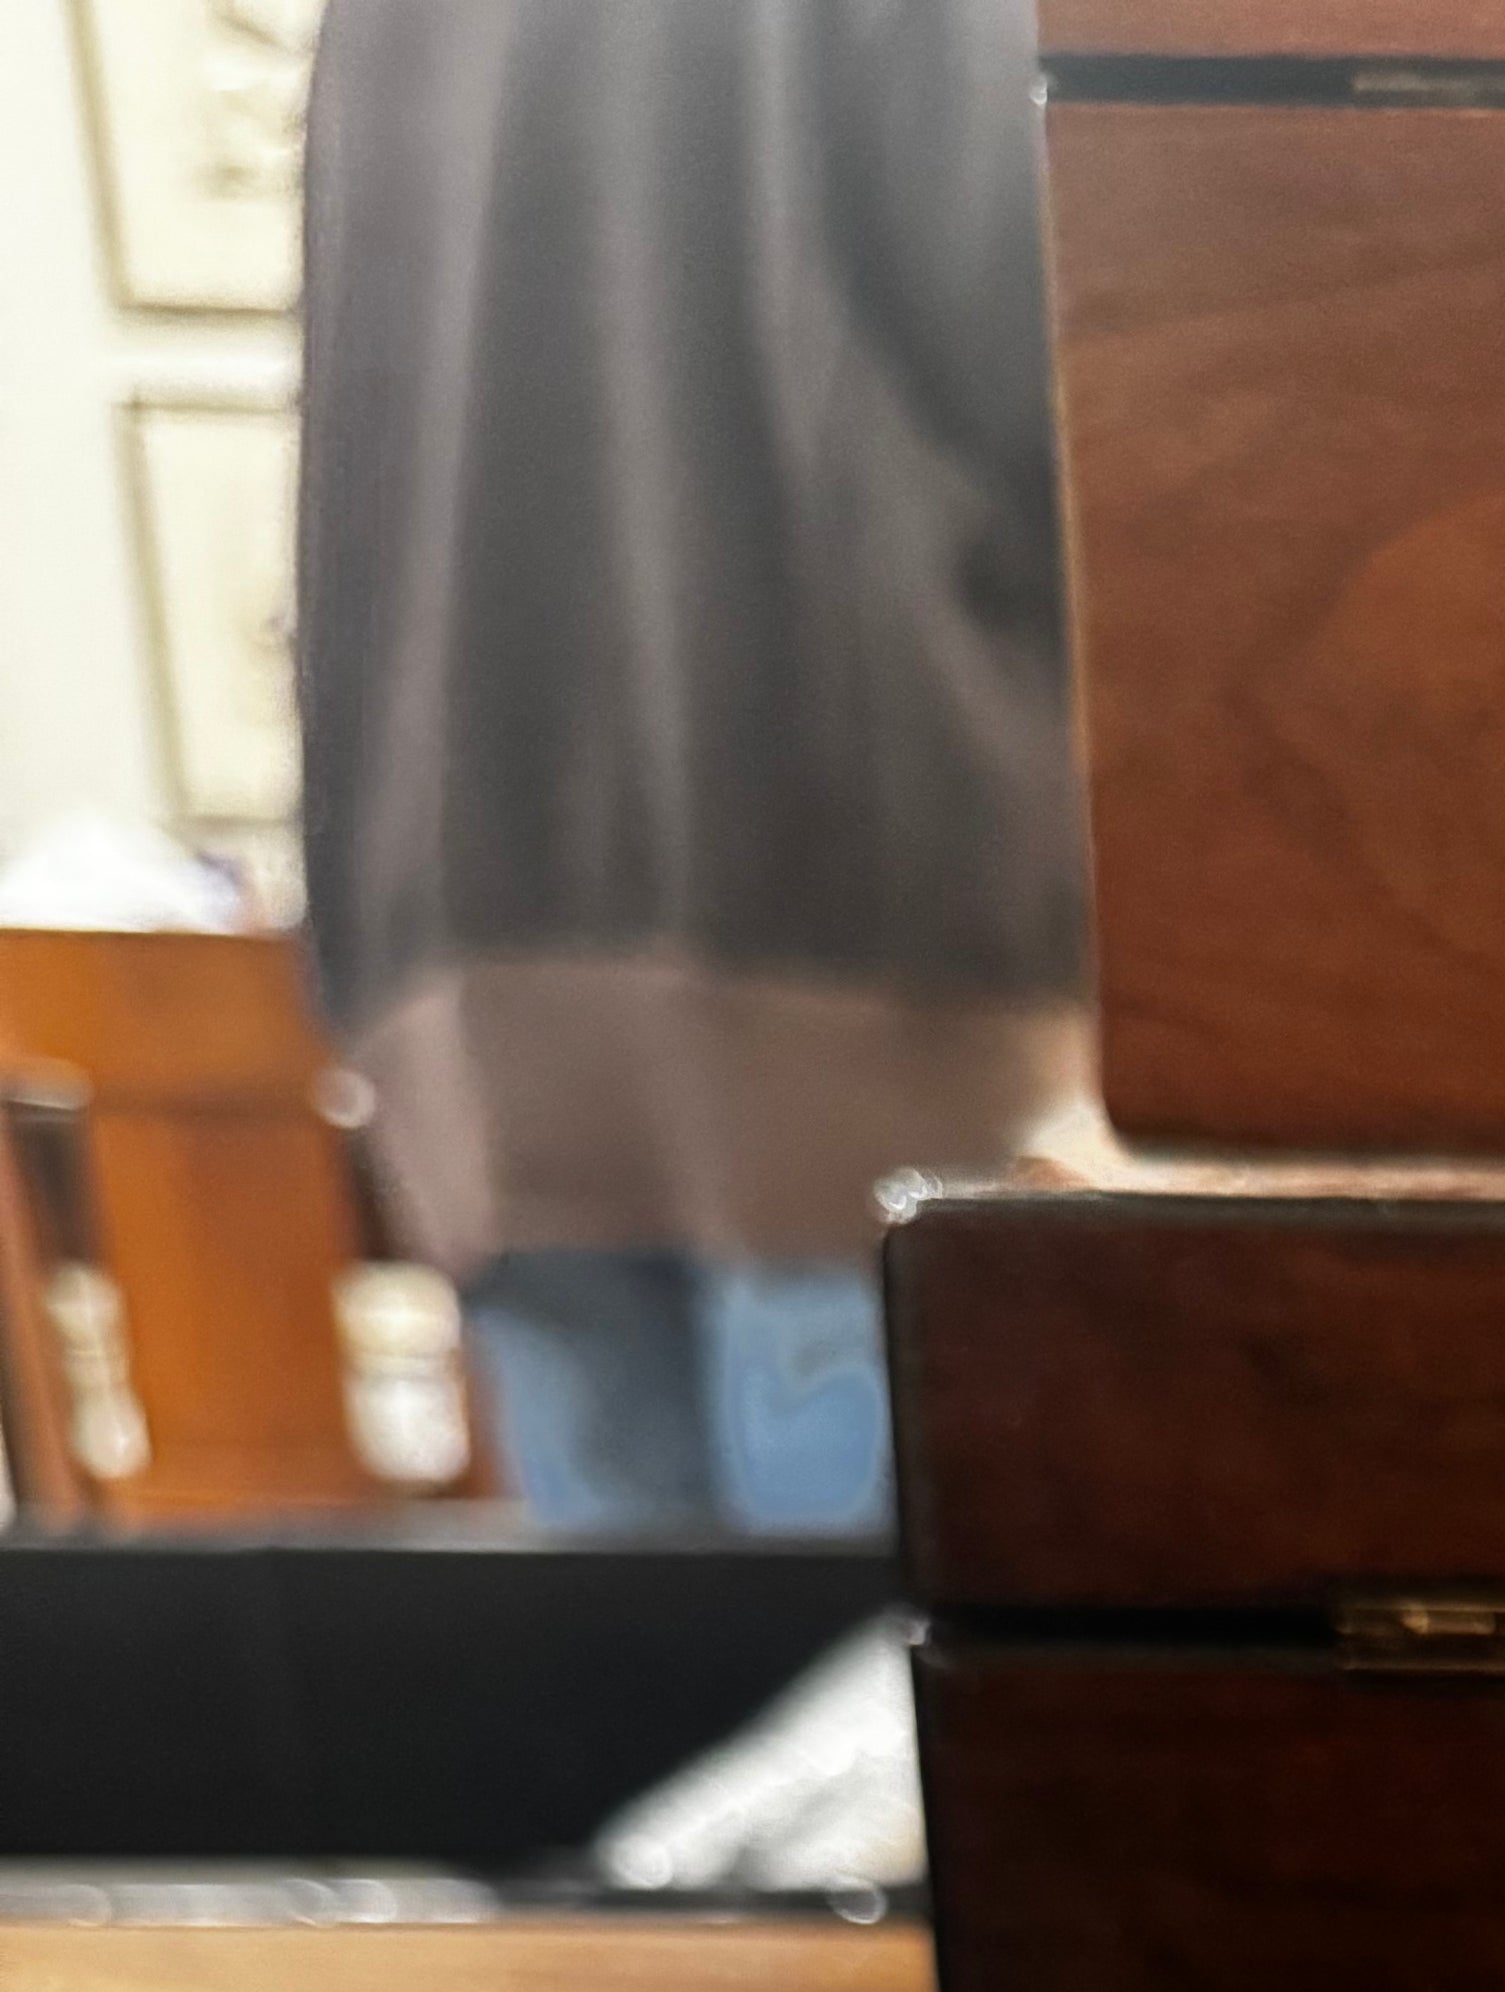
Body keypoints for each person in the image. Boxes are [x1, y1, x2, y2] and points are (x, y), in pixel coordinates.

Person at [292, 0, 1089, 1534]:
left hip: (464, 922)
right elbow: (1080, 363)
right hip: (871, 912)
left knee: (642, 1717)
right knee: (882, 1726)